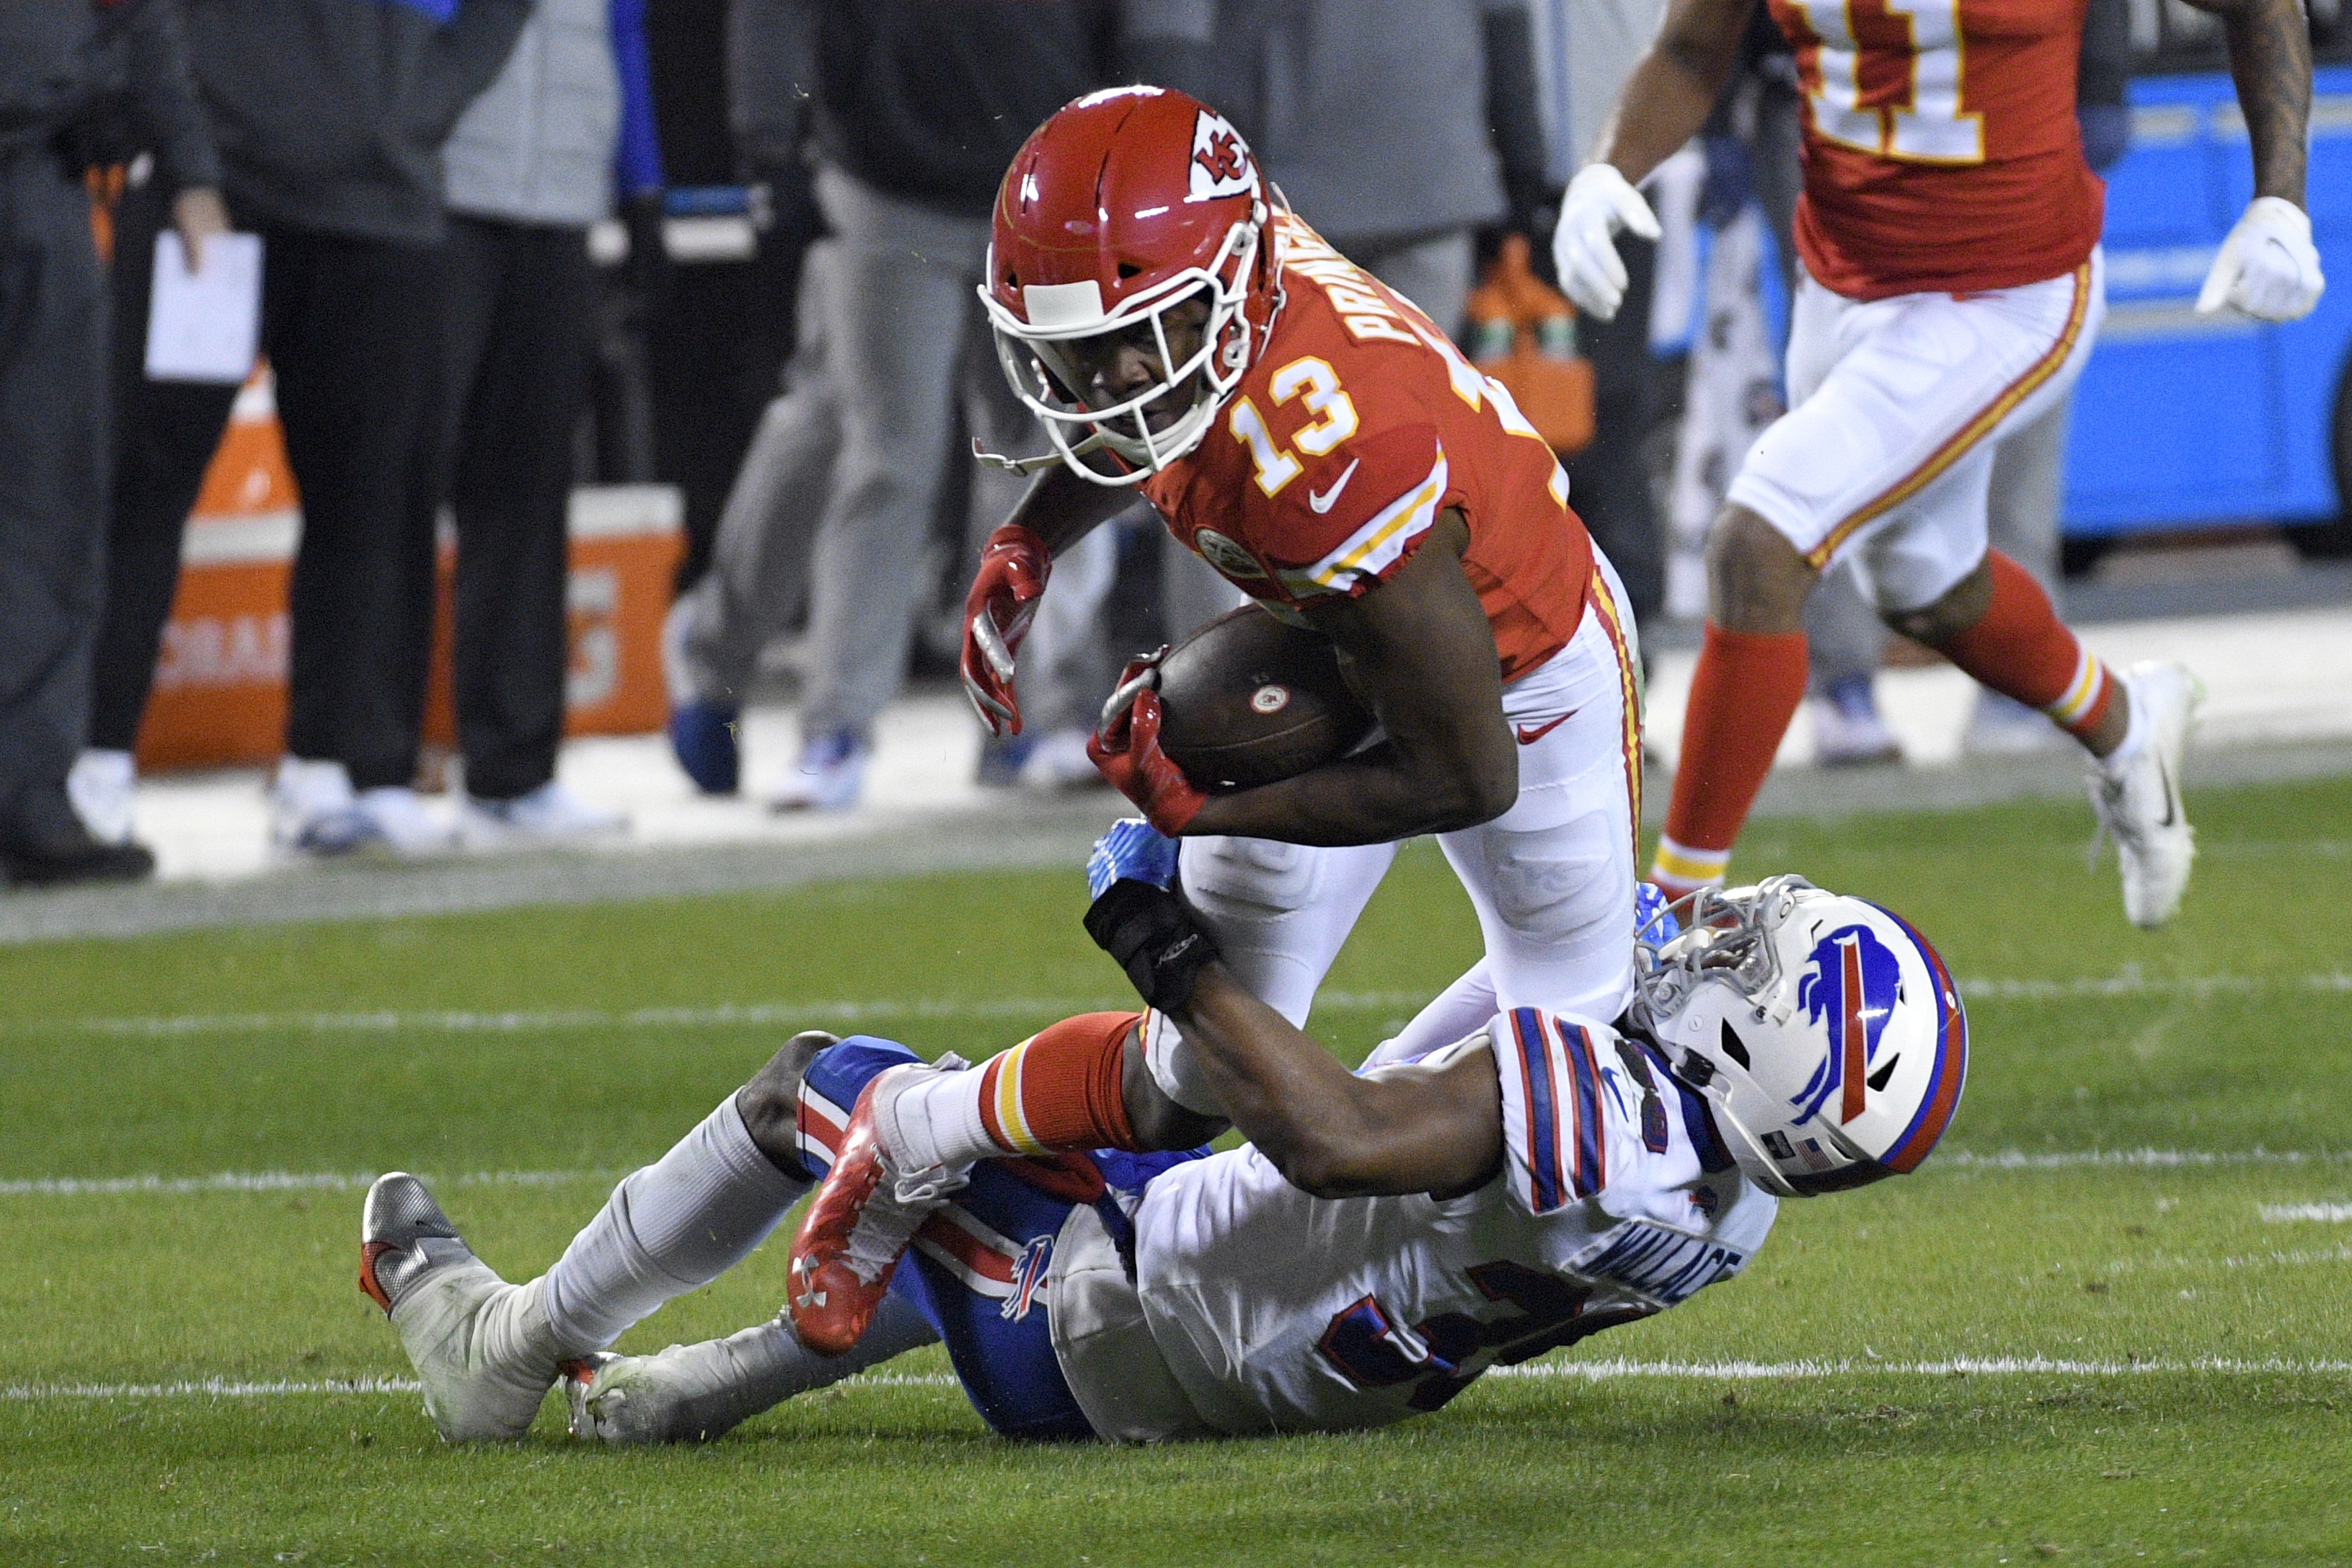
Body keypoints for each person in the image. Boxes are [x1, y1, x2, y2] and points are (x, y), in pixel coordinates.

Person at [358, 859, 1967, 1444]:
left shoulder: (1595, 1119)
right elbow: (1605, 914)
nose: (1721, 933)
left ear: (1758, 1055)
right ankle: (681, 1400)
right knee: (1031, 1180)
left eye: (1750, 967)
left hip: (1131, 1333)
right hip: (1299, 1341)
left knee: (820, 1091)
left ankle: (501, 1353)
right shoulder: (1730, 1202)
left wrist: (1170, 947)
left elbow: (1334, 1135)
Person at [961, 89, 1644, 1144]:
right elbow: (1142, 415)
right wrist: (1032, 533)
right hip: (1341, 624)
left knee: (1554, 1075)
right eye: (1078, 352)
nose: (1109, 382)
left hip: (1527, 673)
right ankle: (915, 1130)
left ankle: (1601, 974)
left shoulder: (1336, 455)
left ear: (1225, 287)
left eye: (1136, 335)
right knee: (1190, 1077)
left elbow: (1464, 776)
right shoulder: (1214, 289)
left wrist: (1202, 812)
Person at [1551, 0, 2322, 929]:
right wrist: (1606, 172)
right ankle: (2127, 723)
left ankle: (1659, 934)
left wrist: (2279, 198)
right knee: (1926, 588)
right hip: (1840, 281)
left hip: (2004, 294)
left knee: (1758, 543)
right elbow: (1690, 48)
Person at [74, 0, 532, 861]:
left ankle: (339, 766)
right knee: (138, 488)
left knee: (372, 498)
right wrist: (182, 155)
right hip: (203, 198)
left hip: (377, 204)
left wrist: (418, 101)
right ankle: (89, 765)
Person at [1, 0, 223, 887]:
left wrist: (191, 169)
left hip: (42, 184)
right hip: (41, 145)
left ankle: (30, 796)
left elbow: (139, 12)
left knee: (52, 503)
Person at [432, 0, 664, 846]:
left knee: (528, 493)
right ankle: (355, 768)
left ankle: (512, 774)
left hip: (560, 210)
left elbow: (621, 33)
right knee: (394, 480)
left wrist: (641, 184)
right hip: (437, 197)